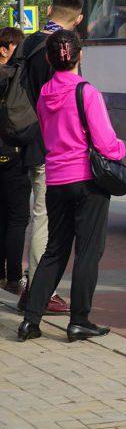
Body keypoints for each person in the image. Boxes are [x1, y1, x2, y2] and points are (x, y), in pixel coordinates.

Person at [18, 31, 126, 343]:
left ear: (50, 59)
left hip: (56, 180)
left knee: (55, 250)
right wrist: (121, 150)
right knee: (88, 251)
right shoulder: (86, 92)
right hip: (87, 182)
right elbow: (106, 143)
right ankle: (79, 320)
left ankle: (31, 319)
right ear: (80, 56)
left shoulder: (44, 95)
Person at [17, 0, 85, 315]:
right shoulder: (62, 49)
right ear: (79, 19)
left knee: (38, 215)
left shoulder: (28, 41)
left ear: (48, 10)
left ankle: (34, 286)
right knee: (45, 218)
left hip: (24, 137)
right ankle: (40, 289)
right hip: (52, 145)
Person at [0, 27, 29, 296]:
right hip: (12, 153)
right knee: (18, 218)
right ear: (4, 49)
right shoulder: (12, 77)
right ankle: (14, 278)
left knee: (2, 216)